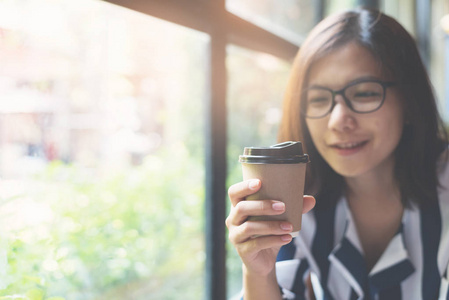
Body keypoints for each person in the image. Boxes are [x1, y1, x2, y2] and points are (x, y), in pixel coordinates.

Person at [226, 7, 449, 300]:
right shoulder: (296, 196)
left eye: (365, 93)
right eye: (318, 99)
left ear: (408, 100)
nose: (338, 121)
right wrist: (258, 272)